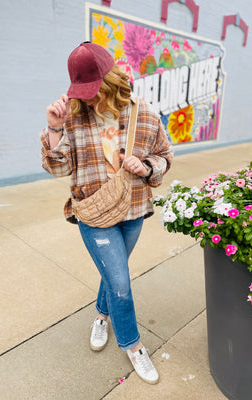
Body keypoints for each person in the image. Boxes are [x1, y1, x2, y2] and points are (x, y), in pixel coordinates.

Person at [40, 42, 173, 385]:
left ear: (110, 80)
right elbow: (58, 169)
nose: (87, 99)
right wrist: (55, 129)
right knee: (121, 283)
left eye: (92, 90)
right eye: (81, 91)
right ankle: (133, 344)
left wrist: (144, 166)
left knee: (114, 275)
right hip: (94, 213)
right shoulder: (72, 114)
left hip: (133, 209)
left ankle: (101, 314)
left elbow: (165, 156)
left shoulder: (144, 114)